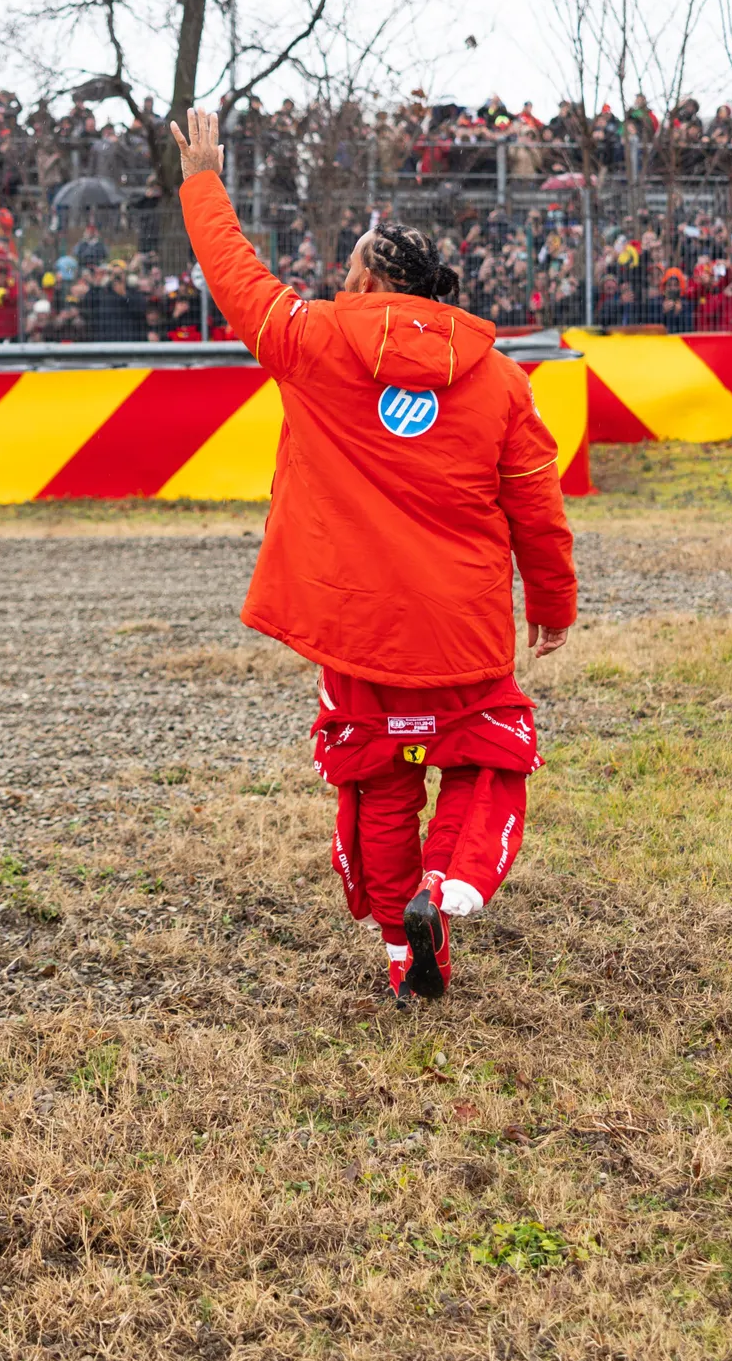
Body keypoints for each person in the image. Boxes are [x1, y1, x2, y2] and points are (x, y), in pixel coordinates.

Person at [172, 106, 577, 1007]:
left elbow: (236, 278)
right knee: (482, 763)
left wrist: (204, 178)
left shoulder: (313, 341)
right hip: (462, 629)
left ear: (363, 275)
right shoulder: (501, 376)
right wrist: (550, 602)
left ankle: (403, 945)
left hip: (356, 629)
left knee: (379, 782)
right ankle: (451, 889)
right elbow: (537, 504)